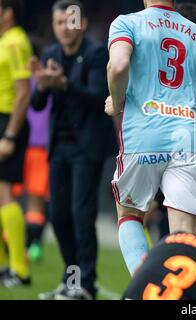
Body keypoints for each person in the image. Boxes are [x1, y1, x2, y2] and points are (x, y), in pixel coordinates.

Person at [106, 0, 196, 276]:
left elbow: (119, 65)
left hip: (143, 136)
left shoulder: (127, 22)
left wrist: (117, 100)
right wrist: (184, 101)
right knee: (184, 230)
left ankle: (146, 286)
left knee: (130, 213)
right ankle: (178, 293)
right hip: (186, 138)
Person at [31, 0, 116, 300]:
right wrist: (42, 86)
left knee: (82, 214)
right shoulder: (51, 54)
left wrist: (63, 83)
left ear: (82, 23)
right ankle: (71, 280)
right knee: (58, 214)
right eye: (58, 23)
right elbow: (38, 105)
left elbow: (98, 98)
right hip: (60, 147)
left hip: (88, 148)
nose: (64, 29)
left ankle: (87, 285)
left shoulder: (95, 54)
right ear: (53, 26)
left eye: (70, 22)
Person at [142, 1, 196, 244]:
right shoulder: (163, 63)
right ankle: (167, 263)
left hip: (191, 156)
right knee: (160, 213)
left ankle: (186, 265)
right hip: (159, 150)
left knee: (186, 218)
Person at [0, 0, 33, 287]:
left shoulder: (17, 42)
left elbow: (23, 93)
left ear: (8, 12)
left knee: (6, 193)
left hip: (7, 121)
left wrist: (9, 135)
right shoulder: (5, 41)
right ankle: (3, 266)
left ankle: (19, 269)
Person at [12, 78, 52, 263]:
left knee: (10, 198)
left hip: (20, 144)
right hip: (41, 147)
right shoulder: (50, 80)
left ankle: (15, 246)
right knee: (36, 202)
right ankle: (32, 246)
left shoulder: (19, 80)